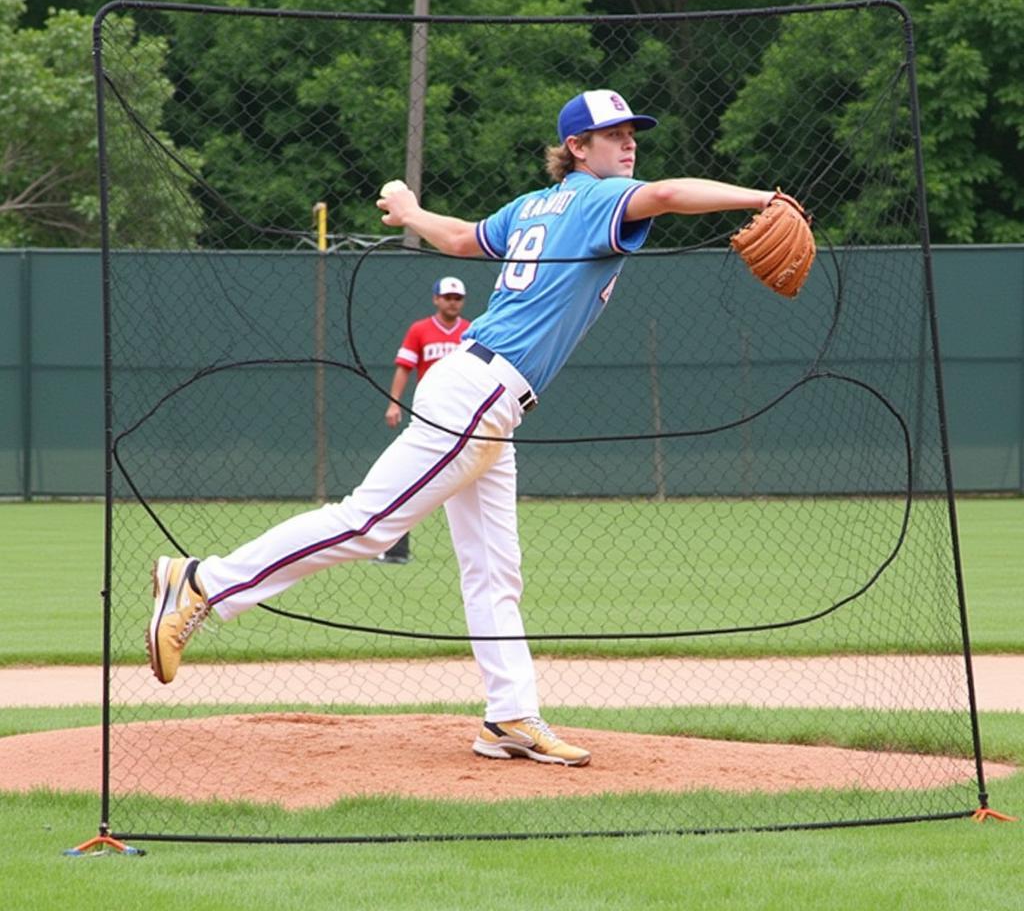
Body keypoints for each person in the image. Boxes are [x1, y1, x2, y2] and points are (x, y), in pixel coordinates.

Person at [147, 88, 785, 768]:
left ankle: (510, 717)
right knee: (369, 524)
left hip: (484, 392)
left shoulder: (532, 206)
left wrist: (411, 211)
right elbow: (666, 195)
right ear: (577, 148)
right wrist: (761, 199)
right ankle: (203, 582)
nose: (628, 144)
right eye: (613, 134)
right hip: (482, 392)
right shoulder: (600, 197)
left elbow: (457, 239)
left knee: (493, 572)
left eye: (633, 133)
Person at [378, 275, 470, 564]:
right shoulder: (420, 330)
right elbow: (404, 367)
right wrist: (394, 403)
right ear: (436, 299)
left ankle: (475, 552)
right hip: (430, 414)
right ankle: (396, 548)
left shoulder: (471, 331)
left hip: (466, 414)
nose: (453, 302)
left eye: (457, 298)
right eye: (448, 297)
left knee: (471, 481)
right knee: (409, 477)